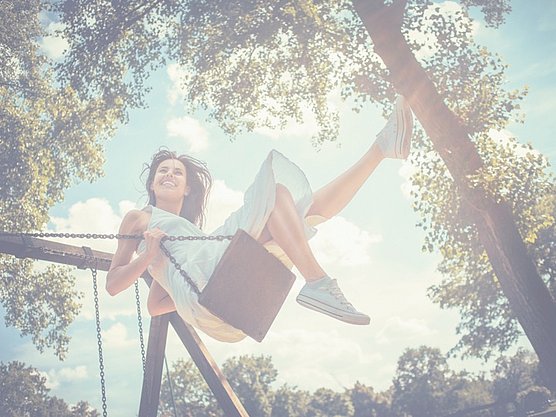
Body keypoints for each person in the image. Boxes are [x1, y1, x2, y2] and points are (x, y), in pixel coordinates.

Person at [106, 95, 413, 342]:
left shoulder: (188, 238)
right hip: (210, 289)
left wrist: (183, 276)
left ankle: (382, 148)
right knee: (276, 194)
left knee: (300, 209)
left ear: (187, 189)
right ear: (152, 183)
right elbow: (113, 284)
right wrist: (148, 258)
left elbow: (156, 304)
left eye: (177, 172)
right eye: (163, 171)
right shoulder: (139, 219)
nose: (169, 175)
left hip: (224, 294)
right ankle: (318, 282)